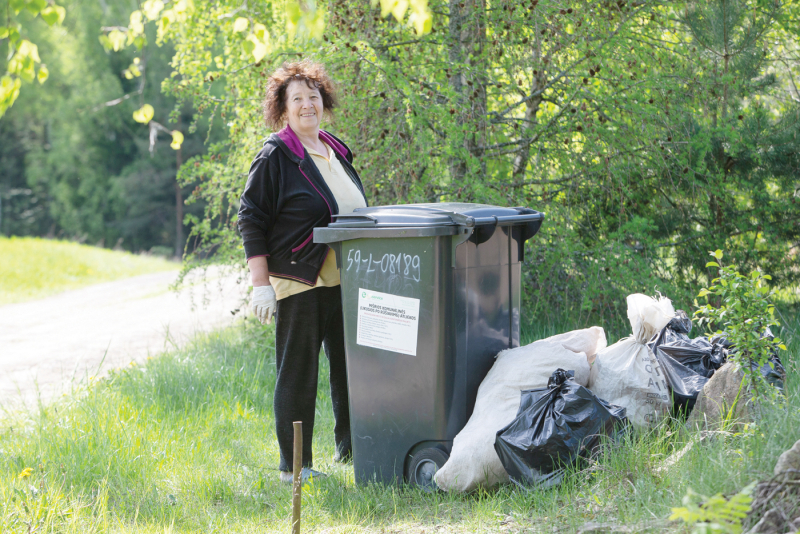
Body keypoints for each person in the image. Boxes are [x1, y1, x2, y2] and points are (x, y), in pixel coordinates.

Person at [237, 61, 367, 483]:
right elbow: (251, 219)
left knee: (353, 368)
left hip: (345, 279)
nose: (307, 104)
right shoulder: (277, 154)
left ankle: (353, 451)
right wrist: (261, 286)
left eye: (313, 96)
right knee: (298, 372)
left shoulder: (335, 148)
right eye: (298, 99)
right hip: (299, 277)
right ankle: (294, 468)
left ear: (324, 102)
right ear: (284, 108)